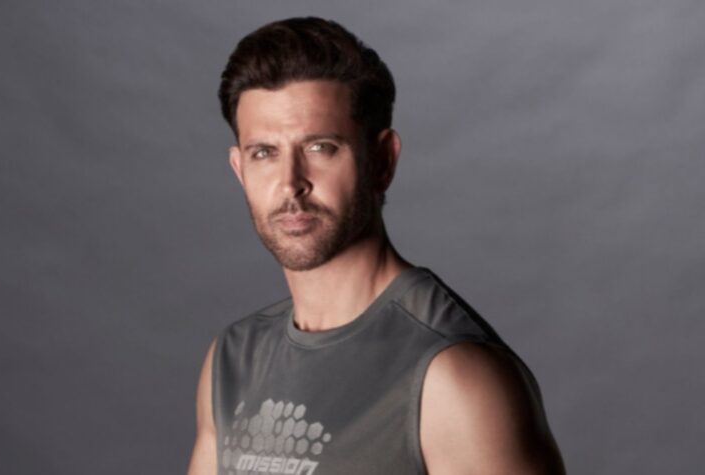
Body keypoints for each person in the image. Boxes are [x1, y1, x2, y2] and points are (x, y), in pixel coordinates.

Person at [187, 17, 565, 475]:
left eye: (320, 147)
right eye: (264, 153)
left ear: (382, 161)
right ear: (239, 169)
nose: (290, 183)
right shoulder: (232, 361)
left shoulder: (454, 377)